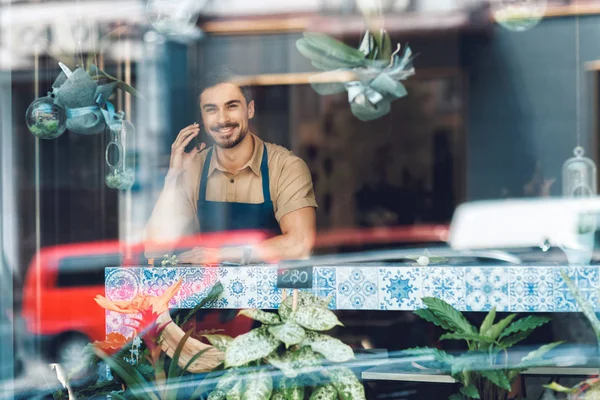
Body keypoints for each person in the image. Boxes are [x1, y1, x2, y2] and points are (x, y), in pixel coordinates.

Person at [145, 71, 317, 264]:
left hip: (273, 291)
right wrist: (173, 177)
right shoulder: (194, 168)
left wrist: (221, 254)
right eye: (211, 110)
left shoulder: (285, 166)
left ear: (250, 109)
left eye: (232, 106)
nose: (222, 119)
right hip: (209, 293)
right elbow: (156, 249)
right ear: (202, 117)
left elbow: (299, 244)